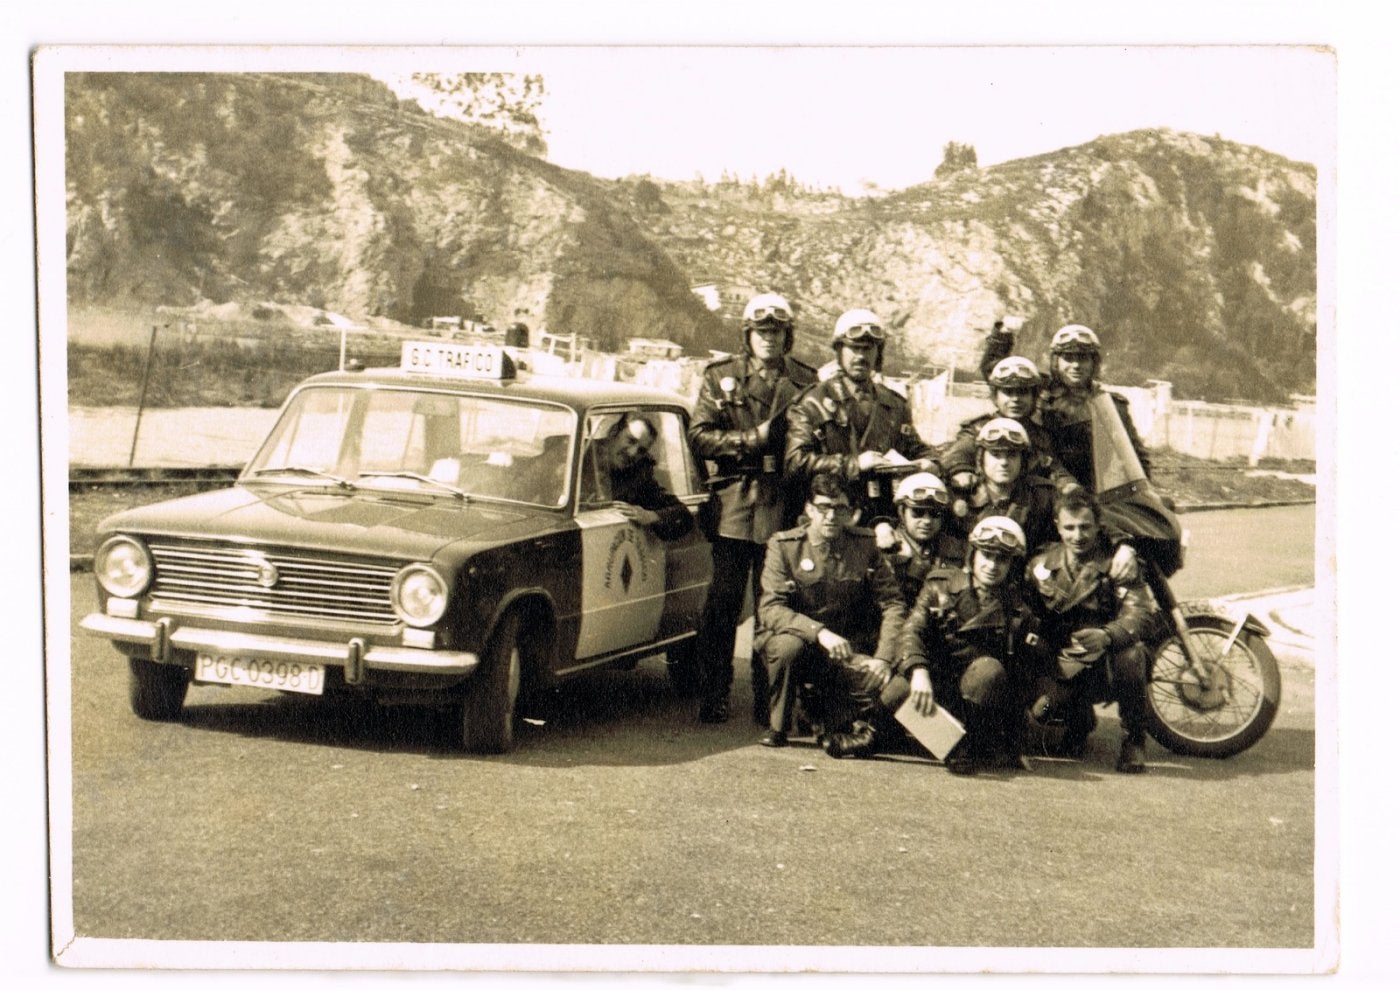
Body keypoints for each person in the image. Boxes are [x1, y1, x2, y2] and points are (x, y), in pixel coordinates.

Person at [687, 292, 818, 724]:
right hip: (733, 506)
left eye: (776, 332)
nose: (768, 339)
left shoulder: (806, 383)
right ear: (748, 335)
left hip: (782, 505)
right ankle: (714, 693)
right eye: (761, 332)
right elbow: (700, 435)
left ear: (787, 336)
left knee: (774, 605)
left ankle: (769, 699)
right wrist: (750, 440)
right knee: (722, 606)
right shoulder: (721, 376)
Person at [753, 472, 905, 756]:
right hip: (802, 645)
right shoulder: (785, 546)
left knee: (896, 689)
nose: (832, 516)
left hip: (845, 651)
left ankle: (832, 716)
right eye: (823, 507)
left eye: (840, 508)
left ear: (851, 512)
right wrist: (819, 632)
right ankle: (778, 726)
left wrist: (883, 658)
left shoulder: (864, 544)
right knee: (788, 647)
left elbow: (893, 604)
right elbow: (770, 609)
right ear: (809, 509)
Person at [887, 515, 1042, 774]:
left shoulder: (1021, 610)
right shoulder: (940, 585)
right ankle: (933, 741)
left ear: (1012, 565)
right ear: (972, 555)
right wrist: (919, 671)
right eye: (986, 555)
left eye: (1002, 559)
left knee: (988, 671)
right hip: (939, 684)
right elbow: (912, 630)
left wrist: (1015, 743)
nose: (992, 565)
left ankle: (967, 745)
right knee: (894, 692)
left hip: (980, 703)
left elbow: (1022, 680)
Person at [1025, 487, 1157, 774]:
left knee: (1132, 655)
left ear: (1099, 526)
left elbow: (1141, 613)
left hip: (1104, 663)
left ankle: (1133, 739)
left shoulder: (1117, 564)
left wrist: (1108, 635)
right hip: (1062, 663)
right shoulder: (1041, 565)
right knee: (1040, 713)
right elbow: (1026, 613)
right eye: (1069, 527)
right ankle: (1079, 718)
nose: (1078, 536)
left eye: (1085, 527)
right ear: (1058, 527)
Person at [785, 307, 939, 547]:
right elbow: (795, 461)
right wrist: (854, 464)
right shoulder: (813, 402)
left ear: (877, 353)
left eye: (867, 349)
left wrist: (929, 462)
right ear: (838, 351)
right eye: (853, 348)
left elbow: (914, 447)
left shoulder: (894, 405)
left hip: (880, 524)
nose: (860, 356)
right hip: (828, 520)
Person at [981, 322, 1151, 490]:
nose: (1076, 365)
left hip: (1093, 489)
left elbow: (1135, 454)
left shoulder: (1111, 404)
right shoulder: (1039, 389)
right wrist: (1003, 334)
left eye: (1083, 358)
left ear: (1094, 362)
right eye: (1068, 358)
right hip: (1042, 482)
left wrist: (1147, 492)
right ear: (1056, 361)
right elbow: (996, 371)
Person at [941, 352, 1076, 494]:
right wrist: (961, 470)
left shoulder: (1040, 436)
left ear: (1034, 396)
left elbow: (1055, 469)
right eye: (1008, 392)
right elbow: (956, 455)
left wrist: (1069, 485)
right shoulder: (980, 429)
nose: (1015, 399)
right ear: (996, 396)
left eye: (1022, 392)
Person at [580, 411, 693, 540]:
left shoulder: (637, 475)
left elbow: (683, 515)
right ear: (614, 433)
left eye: (641, 450)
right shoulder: (579, 456)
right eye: (631, 440)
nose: (632, 453)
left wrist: (650, 515)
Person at [957, 418, 1061, 557]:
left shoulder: (1043, 495)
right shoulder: (964, 494)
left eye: (1012, 455)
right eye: (995, 454)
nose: (1004, 463)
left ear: (1022, 460)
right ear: (981, 459)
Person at [884, 471, 964, 608]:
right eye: (918, 513)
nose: (927, 521)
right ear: (902, 513)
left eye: (934, 514)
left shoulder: (957, 549)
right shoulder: (886, 548)